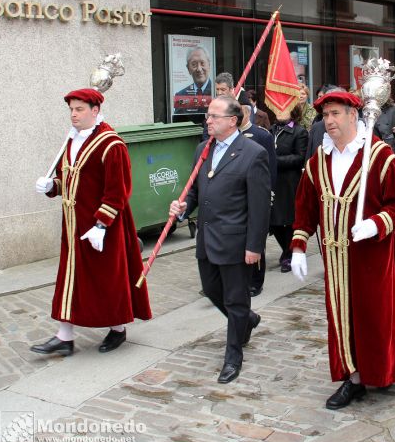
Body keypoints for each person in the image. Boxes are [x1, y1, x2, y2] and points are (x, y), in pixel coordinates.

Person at [289, 91, 395, 410]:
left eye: (335, 114)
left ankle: (382, 369)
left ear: (352, 115)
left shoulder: (379, 156)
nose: (329, 121)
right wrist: (298, 246)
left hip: (371, 258)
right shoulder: (318, 161)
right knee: (341, 318)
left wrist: (376, 223)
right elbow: (305, 208)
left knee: (375, 318)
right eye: (325, 116)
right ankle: (354, 377)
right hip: (335, 261)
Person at [32, 88, 151, 356]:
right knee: (70, 277)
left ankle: (118, 329)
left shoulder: (112, 145)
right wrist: (53, 185)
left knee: (107, 279)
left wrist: (100, 225)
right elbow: (70, 182)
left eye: (79, 109)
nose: (73, 115)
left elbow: (118, 190)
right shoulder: (71, 141)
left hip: (102, 226)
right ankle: (64, 336)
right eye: (71, 109)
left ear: (95, 111)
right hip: (74, 225)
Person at [169, 96, 269, 384]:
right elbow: (194, 192)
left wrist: (255, 247)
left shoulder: (253, 153)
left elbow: (259, 207)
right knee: (212, 290)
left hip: (236, 241)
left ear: (232, 121)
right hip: (207, 239)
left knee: (236, 300)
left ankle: (233, 355)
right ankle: (246, 321)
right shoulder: (203, 149)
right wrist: (182, 206)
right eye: (208, 116)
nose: (208, 120)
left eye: (214, 116)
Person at [239, 105, 277, 297]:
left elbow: (271, 167)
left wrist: (269, 195)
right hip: (237, 198)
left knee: (255, 239)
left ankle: (256, 281)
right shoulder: (228, 137)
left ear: (246, 112)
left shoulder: (261, 136)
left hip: (256, 195)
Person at [270, 106, 308, 273]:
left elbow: (300, 157)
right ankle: (286, 249)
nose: (279, 112)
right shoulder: (271, 130)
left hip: (289, 182)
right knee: (274, 221)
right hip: (272, 181)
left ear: (293, 112)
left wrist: (274, 161)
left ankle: (289, 253)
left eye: (283, 109)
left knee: (288, 220)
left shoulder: (299, 132)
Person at [174, 46, 213, 115]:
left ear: (209, 65)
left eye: (202, 63)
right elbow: (178, 121)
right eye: (194, 64)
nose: (199, 69)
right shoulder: (181, 95)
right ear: (188, 68)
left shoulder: (218, 92)